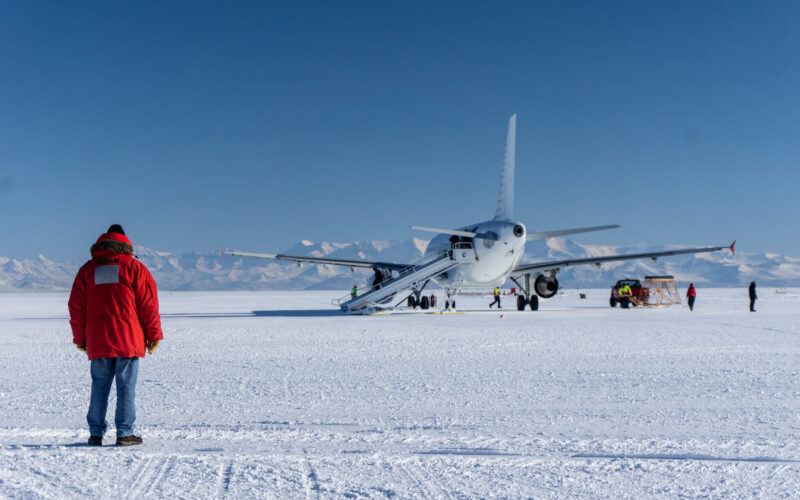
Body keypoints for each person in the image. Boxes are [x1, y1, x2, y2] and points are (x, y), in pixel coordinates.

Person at [68, 224, 163, 447]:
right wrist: (154, 335)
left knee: (99, 386)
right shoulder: (134, 267)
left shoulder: (87, 270)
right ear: (125, 243)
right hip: (128, 339)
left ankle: (96, 434)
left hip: (98, 339)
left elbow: (76, 307)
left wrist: (81, 339)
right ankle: (124, 433)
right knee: (126, 386)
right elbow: (148, 305)